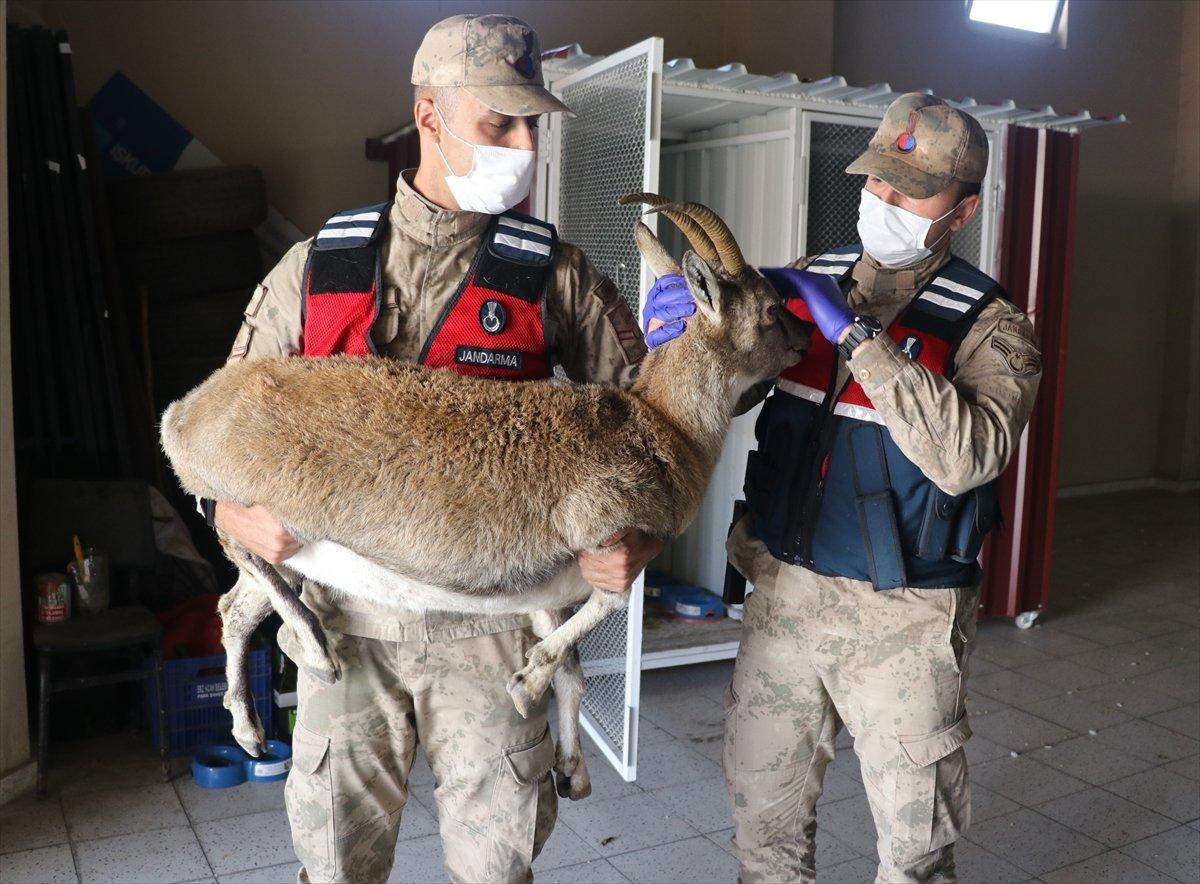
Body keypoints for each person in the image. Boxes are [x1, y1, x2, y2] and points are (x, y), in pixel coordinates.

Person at [207, 14, 661, 883]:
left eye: (533, 123)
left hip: (495, 628)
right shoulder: (316, 269)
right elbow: (225, 421)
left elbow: (647, 433)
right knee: (337, 861)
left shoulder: (556, 276)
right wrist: (228, 511)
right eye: (500, 124)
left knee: (496, 865)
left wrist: (637, 539)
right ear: (429, 118)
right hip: (344, 618)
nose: (525, 144)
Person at [642, 93, 1043, 883]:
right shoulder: (803, 281)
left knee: (914, 849)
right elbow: (729, 396)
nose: (884, 202)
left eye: (910, 191)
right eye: (876, 182)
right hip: (782, 594)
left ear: (958, 213)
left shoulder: (993, 325)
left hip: (904, 619)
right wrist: (686, 343)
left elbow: (968, 457)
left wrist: (856, 340)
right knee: (765, 825)